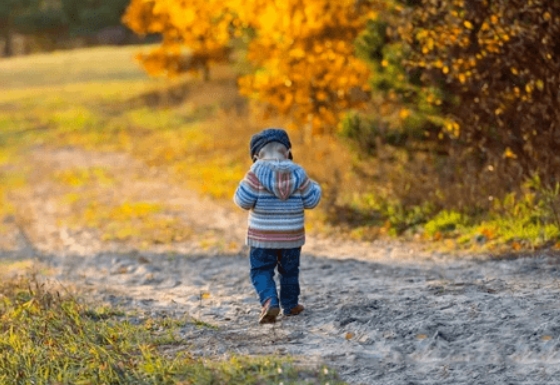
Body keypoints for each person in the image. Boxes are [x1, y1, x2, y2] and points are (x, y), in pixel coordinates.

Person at [233, 128, 322, 324]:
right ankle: (290, 305)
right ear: (288, 152)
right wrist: (316, 186)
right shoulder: (298, 172)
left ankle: (270, 301)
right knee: (290, 270)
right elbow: (312, 200)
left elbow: (243, 201)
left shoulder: (254, 173)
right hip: (292, 236)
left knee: (261, 270)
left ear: (256, 155)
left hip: (262, 237)